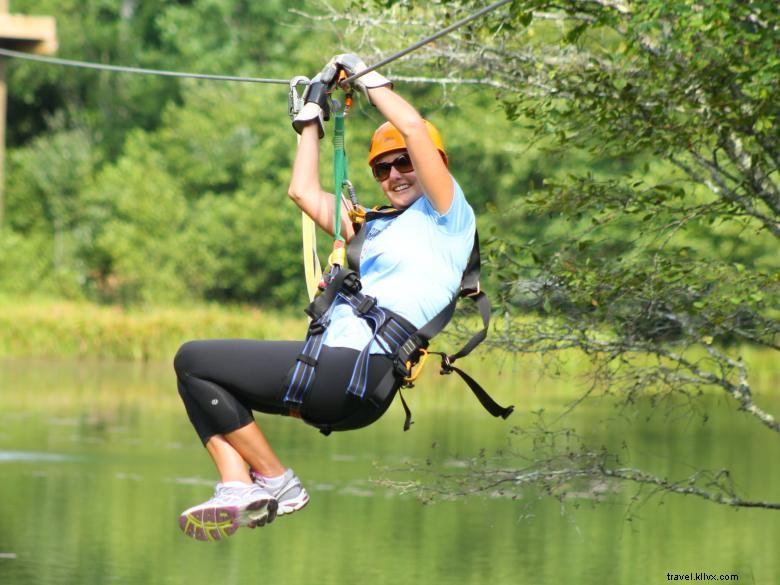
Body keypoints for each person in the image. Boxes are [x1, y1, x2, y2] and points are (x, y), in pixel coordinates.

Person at [173, 53, 477, 541]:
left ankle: (275, 481)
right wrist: (309, 122)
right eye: (383, 167)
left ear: (433, 166)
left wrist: (366, 75)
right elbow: (302, 191)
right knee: (202, 382)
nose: (396, 173)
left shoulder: (449, 217)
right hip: (349, 388)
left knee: (193, 359)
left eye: (405, 163)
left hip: (355, 369)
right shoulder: (371, 229)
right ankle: (238, 485)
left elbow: (415, 129)